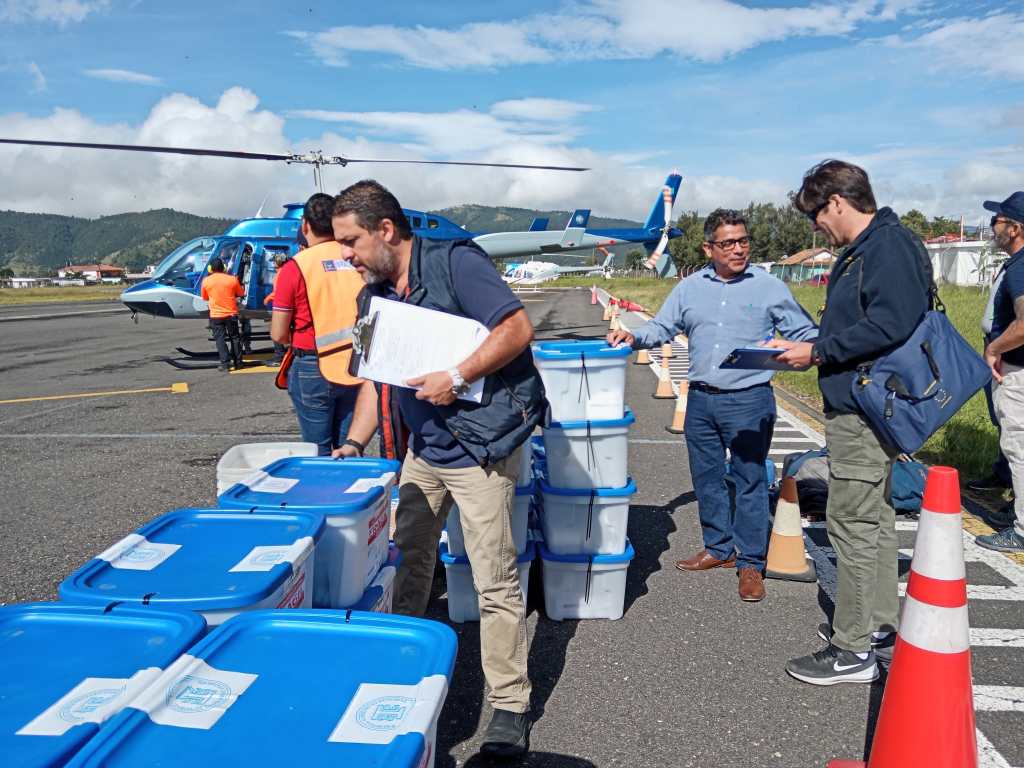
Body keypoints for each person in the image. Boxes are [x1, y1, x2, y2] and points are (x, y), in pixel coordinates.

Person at [331, 179, 546, 757]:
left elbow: (517, 329)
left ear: (386, 230)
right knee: (409, 562)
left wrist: (457, 375)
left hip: (479, 452)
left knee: (494, 579)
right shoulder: (372, 296)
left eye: (351, 242)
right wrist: (353, 445)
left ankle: (509, 704)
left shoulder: (456, 264)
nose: (345, 256)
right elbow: (375, 382)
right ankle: (405, 666)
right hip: (421, 452)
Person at [769, 159, 932, 685]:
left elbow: (891, 323)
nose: (817, 226)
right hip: (861, 403)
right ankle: (879, 623)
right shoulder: (872, 248)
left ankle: (853, 649)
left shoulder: (885, 247)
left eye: (817, 215)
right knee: (874, 519)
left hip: (867, 406)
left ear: (837, 202)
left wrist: (817, 351)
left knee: (851, 522)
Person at [608, 208, 817, 602]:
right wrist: (631, 338)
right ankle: (719, 548)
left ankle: (751, 563)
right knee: (706, 478)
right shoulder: (689, 289)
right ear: (708, 248)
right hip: (701, 399)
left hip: (749, 399)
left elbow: (805, 334)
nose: (738, 249)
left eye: (743, 241)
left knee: (749, 480)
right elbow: (661, 327)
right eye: (728, 243)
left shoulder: (769, 287)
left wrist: (796, 349)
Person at [270, 193, 369, 456]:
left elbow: (278, 333)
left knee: (318, 451)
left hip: (313, 366)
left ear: (305, 226)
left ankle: (324, 495)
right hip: (357, 363)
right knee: (350, 446)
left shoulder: (295, 267)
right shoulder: (357, 257)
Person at [977, 192, 1024, 553]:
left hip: (1016, 371)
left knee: (1018, 446)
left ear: (1016, 228)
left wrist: (994, 348)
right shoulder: (1016, 264)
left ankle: (1021, 530)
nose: (993, 226)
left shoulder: (1021, 267)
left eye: (999, 220)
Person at [200, 256, 244, 372]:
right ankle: (238, 362)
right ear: (224, 268)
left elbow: (204, 297)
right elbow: (241, 293)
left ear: (210, 269)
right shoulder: (232, 279)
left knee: (220, 339)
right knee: (235, 338)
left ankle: (225, 364)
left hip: (216, 315)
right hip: (231, 314)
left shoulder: (206, 281)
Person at [263, 251, 291, 367]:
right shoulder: (285, 272)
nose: (273, 264)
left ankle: (279, 357)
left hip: (281, 307)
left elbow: (280, 292)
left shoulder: (281, 274)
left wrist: (268, 297)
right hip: (285, 306)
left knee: (276, 331)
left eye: (274, 261)